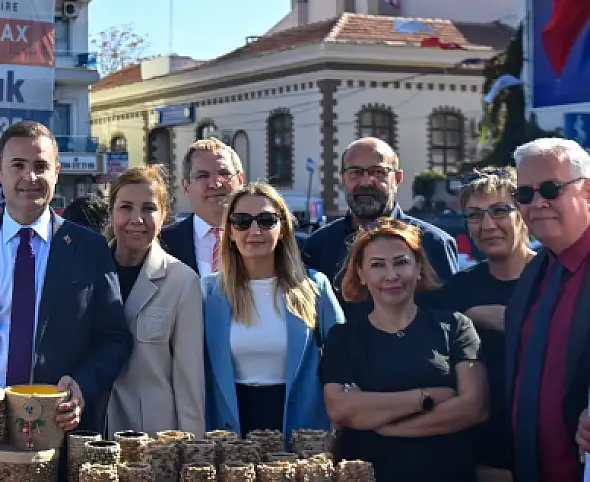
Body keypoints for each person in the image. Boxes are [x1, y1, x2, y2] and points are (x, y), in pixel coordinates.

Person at [0, 120, 133, 437]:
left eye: (41, 166)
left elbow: (114, 338)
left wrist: (83, 386)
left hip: (56, 426)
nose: (29, 177)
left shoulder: (89, 249)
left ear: (57, 172)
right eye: (18, 165)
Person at [319, 219, 487, 482]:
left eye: (401, 262)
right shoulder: (343, 337)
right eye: (377, 265)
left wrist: (386, 425)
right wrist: (428, 397)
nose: (391, 275)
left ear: (418, 267)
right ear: (361, 274)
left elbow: (474, 406)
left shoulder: (454, 326)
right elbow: (341, 409)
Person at [204, 182, 344, 439]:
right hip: (230, 426)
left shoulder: (315, 287)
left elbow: (343, 360)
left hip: (301, 426)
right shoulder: (209, 292)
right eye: (242, 221)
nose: (254, 230)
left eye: (266, 220)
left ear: (282, 229)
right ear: (230, 233)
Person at [439, 168, 533, 482]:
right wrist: (471, 316)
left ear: (523, 212)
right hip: (480, 458)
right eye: (475, 215)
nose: (488, 225)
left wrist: (513, 319)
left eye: (500, 211)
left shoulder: (553, 277)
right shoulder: (456, 291)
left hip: (549, 452)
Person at [508, 138, 590, 482]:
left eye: (551, 189)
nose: (537, 203)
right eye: (525, 194)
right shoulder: (535, 269)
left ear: (587, 191)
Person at [302, 137, 459, 317]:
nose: (366, 181)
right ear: (342, 179)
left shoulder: (434, 244)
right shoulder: (317, 246)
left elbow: (451, 323)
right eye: (355, 172)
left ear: (397, 178)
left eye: (378, 172)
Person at [104, 165, 205, 438]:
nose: (137, 219)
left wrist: (192, 450)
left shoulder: (182, 281)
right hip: (93, 431)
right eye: (126, 207)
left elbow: (189, 380)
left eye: (148, 208)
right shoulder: (87, 271)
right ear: (111, 211)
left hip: (151, 438)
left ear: (163, 216)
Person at [161, 138, 246, 276]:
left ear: (241, 180)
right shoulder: (163, 243)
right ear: (186, 186)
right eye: (203, 176)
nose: (215, 184)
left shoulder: (261, 238)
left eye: (224, 173)